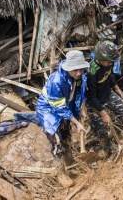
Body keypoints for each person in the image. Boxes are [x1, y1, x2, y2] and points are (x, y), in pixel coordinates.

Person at [36, 50, 88, 188]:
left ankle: (70, 162)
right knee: (56, 140)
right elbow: (59, 108)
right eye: (75, 70)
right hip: (49, 110)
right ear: (68, 68)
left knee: (66, 135)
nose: (78, 73)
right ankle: (61, 173)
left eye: (81, 69)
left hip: (66, 105)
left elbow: (81, 93)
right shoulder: (57, 81)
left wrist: (83, 108)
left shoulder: (80, 76)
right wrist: (77, 123)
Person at [87, 41, 123, 156]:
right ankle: (105, 148)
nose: (111, 64)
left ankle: (118, 133)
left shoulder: (107, 65)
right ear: (100, 59)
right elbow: (91, 97)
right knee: (101, 129)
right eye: (109, 61)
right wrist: (103, 114)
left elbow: (109, 77)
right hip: (94, 102)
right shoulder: (91, 72)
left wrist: (117, 89)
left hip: (108, 93)